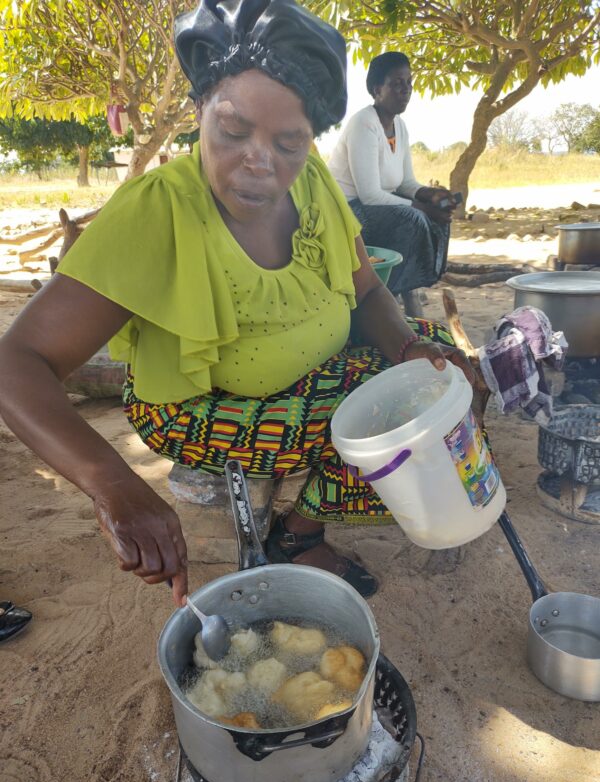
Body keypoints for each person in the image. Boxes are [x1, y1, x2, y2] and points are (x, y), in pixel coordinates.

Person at [0, 0, 473, 606]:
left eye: (289, 141)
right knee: (379, 422)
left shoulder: (316, 183)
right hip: (192, 405)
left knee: (424, 381)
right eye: (233, 130)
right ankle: (295, 534)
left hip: (302, 378)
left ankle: (299, 530)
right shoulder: (159, 210)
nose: (260, 161)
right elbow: (18, 362)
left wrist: (412, 346)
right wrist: (112, 484)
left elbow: (369, 291)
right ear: (199, 110)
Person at [327, 51, 458, 316]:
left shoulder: (401, 126)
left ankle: (415, 287)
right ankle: (387, 299)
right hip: (346, 211)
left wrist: (430, 196)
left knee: (440, 218)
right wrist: (420, 209)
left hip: (374, 208)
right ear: (377, 89)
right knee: (413, 219)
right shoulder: (364, 124)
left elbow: (405, 182)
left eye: (409, 82)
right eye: (397, 84)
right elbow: (370, 195)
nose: (406, 90)